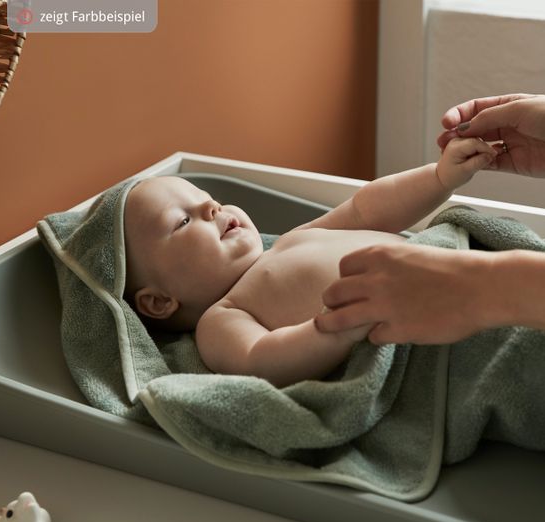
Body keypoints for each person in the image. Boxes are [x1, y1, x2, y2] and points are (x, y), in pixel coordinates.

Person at [124, 136, 496, 387]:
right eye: (183, 220)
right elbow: (262, 360)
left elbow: (367, 210)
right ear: (159, 301)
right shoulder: (222, 318)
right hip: (439, 333)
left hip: (467, 269)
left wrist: (438, 178)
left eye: (207, 198)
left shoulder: (289, 240)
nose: (211, 206)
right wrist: (336, 327)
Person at [315, 93, 545, 346]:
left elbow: (362, 211)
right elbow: (273, 358)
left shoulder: (289, 239)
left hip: (465, 284)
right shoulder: (265, 311)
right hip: (418, 334)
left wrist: (440, 178)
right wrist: (343, 330)